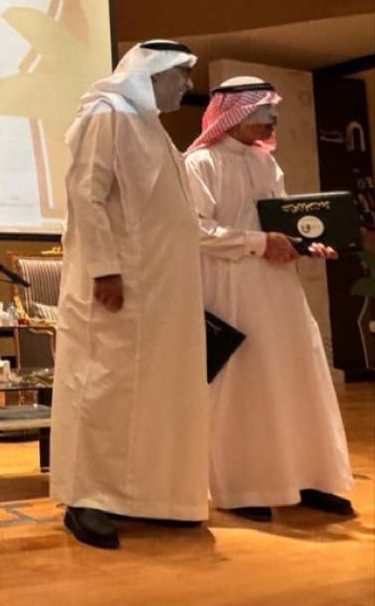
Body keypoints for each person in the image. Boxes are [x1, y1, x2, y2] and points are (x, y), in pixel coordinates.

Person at [50, 40, 207, 549]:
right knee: (102, 389)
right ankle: (87, 499)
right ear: (152, 73)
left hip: (161, 293)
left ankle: (149, 497)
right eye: (181, 74)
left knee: (152, 393)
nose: (188, 85)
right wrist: (104, 269)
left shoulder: (149, 125)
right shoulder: (108, 114)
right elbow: (86, 193)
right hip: (119, 287)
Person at [184, 76, 354, 521]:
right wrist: (259, 243)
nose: (271, 119)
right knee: (244, 384)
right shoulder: (200, 163)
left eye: (271, 110)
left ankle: (309, 479)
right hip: (231, 288)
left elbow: (285, 220)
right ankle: (244, 488)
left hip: (280, 289)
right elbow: (195, 230)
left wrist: (307, 244)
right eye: (261, 111)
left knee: (297, 375)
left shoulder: (266, 163)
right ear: (233, 114)